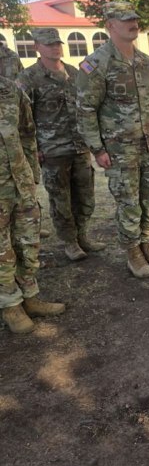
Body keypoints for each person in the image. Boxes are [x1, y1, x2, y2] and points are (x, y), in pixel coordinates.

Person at [76, 2, 149, 279]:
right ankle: (133, 252)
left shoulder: (146, 62)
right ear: (109, 25)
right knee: (129, 203)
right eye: (125, 20)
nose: (134, 23)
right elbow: (85, 109)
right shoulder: (95, 64)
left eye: (134, 18)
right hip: (119, 151)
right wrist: (97, 148)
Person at [18, 28, 104, 261]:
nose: (55, 47)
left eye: (57, 43)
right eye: (48, 44)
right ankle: (69, 242)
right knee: (60, 200)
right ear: (37, 47)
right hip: (52, 150)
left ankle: (82, 235)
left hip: (79, 146)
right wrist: (34, 148)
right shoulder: (29, 78)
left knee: (85, 196)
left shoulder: (75, 73)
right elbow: (22, 117)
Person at [0, 76, 65, 334]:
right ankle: (10, 305)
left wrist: (32, 174)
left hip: (20, 182)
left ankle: (29, 295)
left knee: (28, 242)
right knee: (2, 250)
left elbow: (27, 133)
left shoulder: (8, 88)